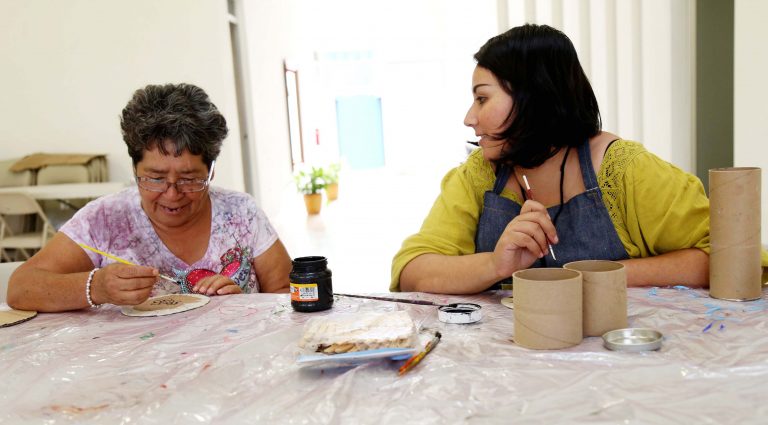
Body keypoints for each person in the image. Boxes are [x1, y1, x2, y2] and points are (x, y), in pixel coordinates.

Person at [391, 24, 763, 294]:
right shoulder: (479, 175)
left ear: (534, 98)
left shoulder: (624, 169)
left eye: (483, 98)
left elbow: (727, 257)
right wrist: (495, 265)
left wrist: (591, 275)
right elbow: (412, 271)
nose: (469, 118)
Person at [7, 83, 292, 311]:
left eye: (189, 179)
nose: (172, 194)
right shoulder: (105, 220)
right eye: (155, 178)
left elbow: (287, 294)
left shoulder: (241, 213)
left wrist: (244, 304)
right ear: (134, 168)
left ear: (212, 170)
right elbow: (21, 288)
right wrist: (97, 287)